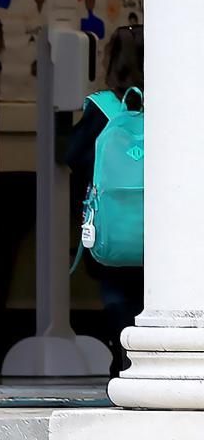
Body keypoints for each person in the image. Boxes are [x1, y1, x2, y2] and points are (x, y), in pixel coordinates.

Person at [65, 24, 144, 377]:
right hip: (161, 233)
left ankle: (123, 357)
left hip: (112, 231)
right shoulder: (179, 107)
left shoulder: (104, 109)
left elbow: (74, 154)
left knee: (116, 294)